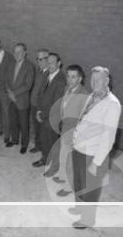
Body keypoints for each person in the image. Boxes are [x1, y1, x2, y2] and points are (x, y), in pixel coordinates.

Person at [70, 66, 121, 229]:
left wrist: (96, 163)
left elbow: (108, 138)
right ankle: (79, 206)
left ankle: (87, 219)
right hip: (78, 148)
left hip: (92, 154)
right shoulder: (92, 95)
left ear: (107, 81)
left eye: (98, 79)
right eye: (92, 79)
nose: (94, 82)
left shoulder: (112, 104)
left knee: (90, 188)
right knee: (78, 182)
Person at [51, 64, 89, 197]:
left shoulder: (84, 94)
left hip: (74, 132)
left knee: (69, 161)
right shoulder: (67, 88)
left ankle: (68, 187)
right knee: (63, 155)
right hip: (65, 127)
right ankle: (62, 176)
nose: (70, 80)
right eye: (68, 76)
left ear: (80, 79)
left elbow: (84, 119)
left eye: (74, 77)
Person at [32, 53, 66, 169]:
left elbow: (57, 103)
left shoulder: (61, 80)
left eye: (52, 62)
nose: (49, 64)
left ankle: (54, 166)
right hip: (44, 114)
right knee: (45, 140)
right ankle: (45, 159)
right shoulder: (48, 75)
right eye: (48, 62)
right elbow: (41, 94)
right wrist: (39, 110)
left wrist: (42, 114)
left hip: (52, 117)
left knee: (52, 142)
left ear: (59, 64)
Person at [6, 43, 35, 154]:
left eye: (20, 52)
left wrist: (14, 94)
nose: (17, 54)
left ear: (25, 53)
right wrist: (9, 92)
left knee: (24, 124)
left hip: (22, 100)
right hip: (11, 99)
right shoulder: (10, 64)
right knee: (13, 121)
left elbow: (28, 85)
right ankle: (14, 140)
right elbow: (7, 80)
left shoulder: (29, 66)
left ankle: (24, 144)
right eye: (15, 52)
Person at [29, 49, 49, 153]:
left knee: (43, 129)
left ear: (48, 59)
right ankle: (38, 145)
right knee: (36, 128)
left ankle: (44, 150)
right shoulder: (38, 71)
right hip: (34, 104)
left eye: (42, 59)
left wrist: (40, 108)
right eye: (38, 59)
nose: (39, 62)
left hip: (41, 107)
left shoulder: (50, 74)